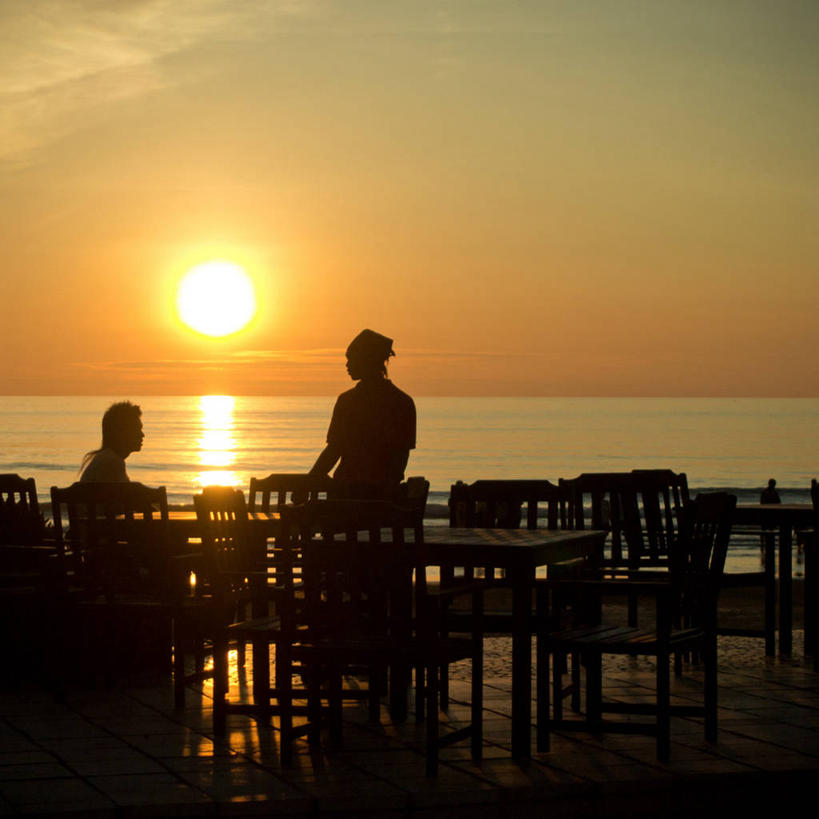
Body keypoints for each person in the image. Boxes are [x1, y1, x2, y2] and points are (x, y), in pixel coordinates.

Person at [308, 329, 416, 499]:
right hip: (384, 497)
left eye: (351, 359)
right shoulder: (404, 402)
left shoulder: (347, 401)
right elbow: (401, 456)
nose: (347, 365)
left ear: (367, 360)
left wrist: (308, 483)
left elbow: (333, 451)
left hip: (345, 495)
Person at [79, 401, 144, 482]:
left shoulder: (105, 458)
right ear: (121, 432)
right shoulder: (112, 463)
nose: (142, 435)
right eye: (137, 430)